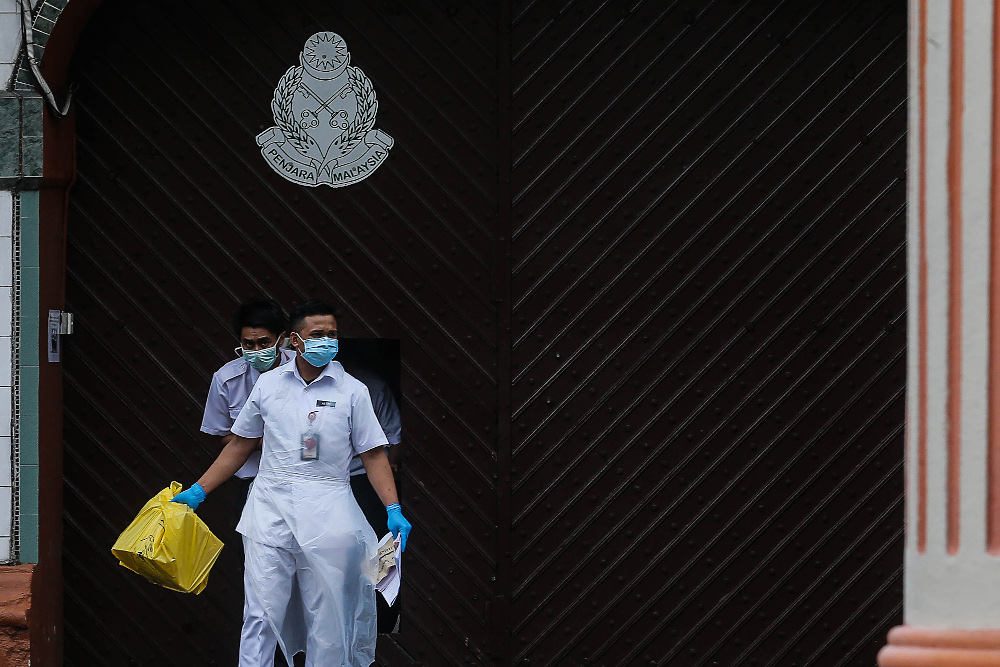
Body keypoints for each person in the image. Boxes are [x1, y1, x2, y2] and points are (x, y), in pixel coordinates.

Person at [174, 299, 412, 667]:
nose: (327, 342)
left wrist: (392, 508)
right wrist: (198, 491)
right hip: (270, 510)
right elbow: (240, 443)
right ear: (295, 341)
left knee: (327, 615)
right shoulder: (268, 386)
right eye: (318, 335)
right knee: (260, 613)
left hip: (330, 512)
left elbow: (374, 454)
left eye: (333, 334)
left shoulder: (352, 391)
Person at [199, 297, 294, 667]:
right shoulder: (227, 378)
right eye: (248, 344)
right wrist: (259, 440)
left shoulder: (305, 373)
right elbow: (222, 434)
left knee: (317, 591)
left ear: (284, 339)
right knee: (262, 594)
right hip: (255, 488)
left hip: (309, 490)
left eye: (264, 342)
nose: (256, 350)